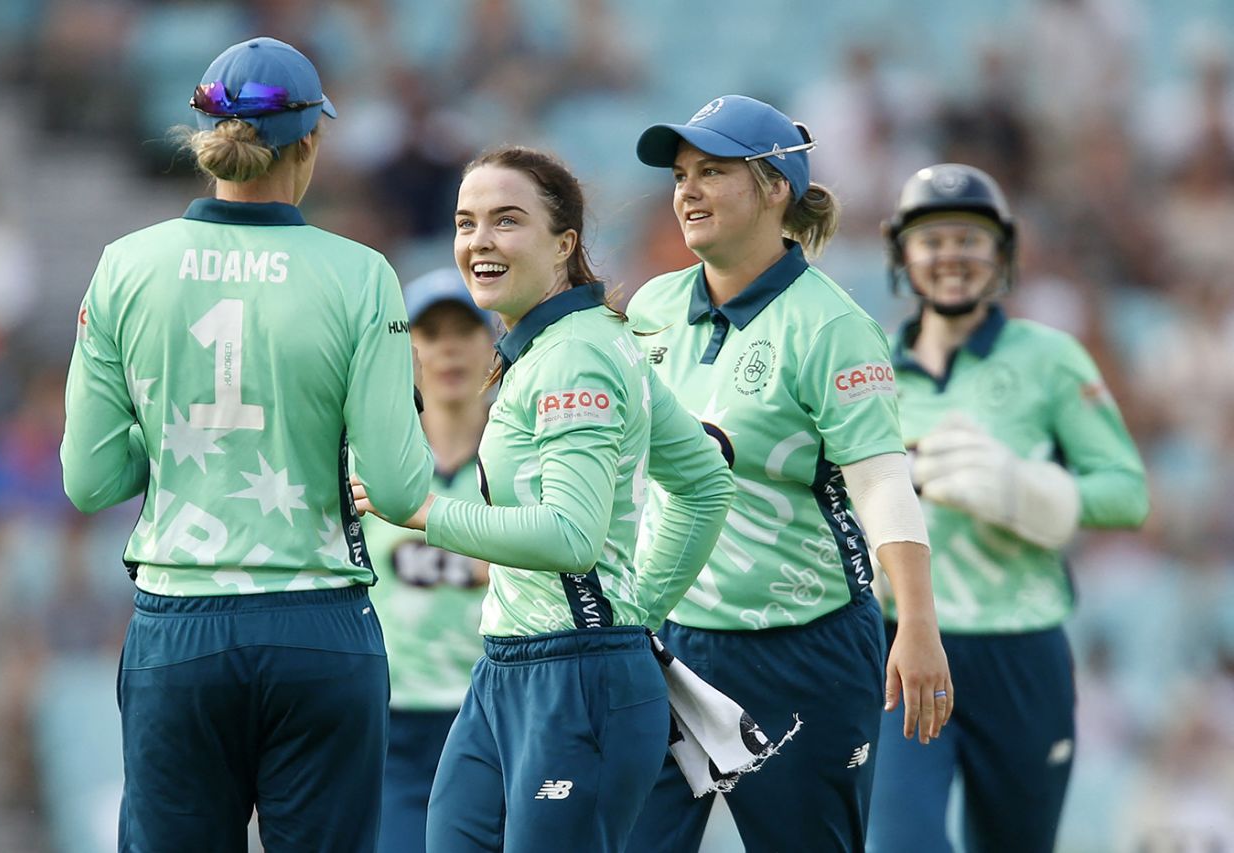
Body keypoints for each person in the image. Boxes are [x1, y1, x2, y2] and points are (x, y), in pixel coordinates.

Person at [59, 37, 433, 852]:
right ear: (310, 143)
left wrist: (169, 439)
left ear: (204, 140)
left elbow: (90, 480)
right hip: (319, 630)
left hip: (179, 632)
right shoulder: (361, 273)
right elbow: (402, 491)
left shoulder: (125, 267)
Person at [353, 145, 736, 853]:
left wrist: (423, 513)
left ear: (564, 243)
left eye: (506, 221)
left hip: (576, 677)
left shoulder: (576, 353)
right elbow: (707, 480)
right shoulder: (565, 343)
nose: (480, 242)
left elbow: (571, 535)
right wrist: (637, 608)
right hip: (509, 668)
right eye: (467, 223)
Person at [625, 94, 952, 852]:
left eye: (713, 171)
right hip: (671, 642)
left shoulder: (832, 325)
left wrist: (919, 624)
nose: (688, 191)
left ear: (777, 188)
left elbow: (880, 483)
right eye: (680, 174)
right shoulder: (650, 309)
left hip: (804, 652)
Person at [866, 163, 1149, 853]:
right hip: (902, 639)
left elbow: (1127, 493)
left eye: (971, 237)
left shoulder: (1050, 358)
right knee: (900, 844)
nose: (952, 255)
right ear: (903, 253)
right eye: (933, 239)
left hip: (1021, 645)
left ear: (1004, 251)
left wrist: (1027, 491)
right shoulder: (866, 364)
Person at [362, 268, 497, 853]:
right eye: (430, 331)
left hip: (491, 712)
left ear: (492, 343)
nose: (447, 348)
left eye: (464, 330)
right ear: (408, 346)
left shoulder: (520, 465)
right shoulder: (373, 464)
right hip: (391, 721)